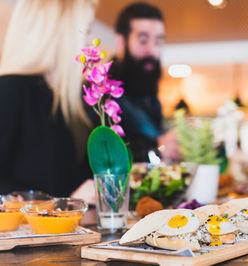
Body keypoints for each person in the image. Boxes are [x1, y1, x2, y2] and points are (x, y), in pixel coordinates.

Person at [0, 0, 97, 203]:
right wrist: (66, 205)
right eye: (85, 31)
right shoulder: (9, 91)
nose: (89, 43)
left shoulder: (73, 101)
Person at [109, 2, 180, 162]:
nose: (153, 51)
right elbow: (102, 158)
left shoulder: (148, 93)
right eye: (143, 41)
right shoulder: (101, 94)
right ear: (121, 42)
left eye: (158, 42)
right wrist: (158, 148)